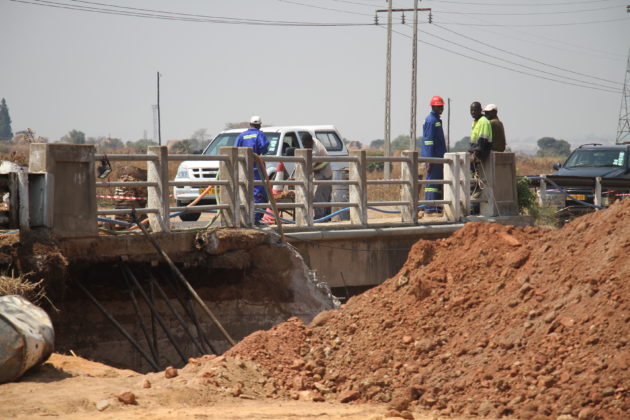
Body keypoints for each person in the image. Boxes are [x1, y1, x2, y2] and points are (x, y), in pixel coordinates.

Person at [236, 115, 270, 225]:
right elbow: (264, 148)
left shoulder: (241, 136)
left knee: (244, 191)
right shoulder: (259, 134)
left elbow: (235, 149)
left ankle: (243, 218)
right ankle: (255, 219)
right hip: (256, 168)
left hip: (243, 169)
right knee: (260, 193)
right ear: (259, 125)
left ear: (250, 124)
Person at [421, 95, 447, 216]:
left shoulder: (436, 120)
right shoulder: (431, 120)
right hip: (434, 158)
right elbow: (428, 141)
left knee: (438, 183)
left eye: (441, 106)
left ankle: (436, 208)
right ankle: (430, 209)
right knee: (432, 184)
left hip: (439, 157)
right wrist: (429, 160)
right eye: (438, 106)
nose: (440, 108)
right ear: (433, 107)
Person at [300, 132, 332, 220]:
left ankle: (319, 218)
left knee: (319, 197)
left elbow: (308, 168)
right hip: (321, 173)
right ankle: (326, 218)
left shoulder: (315, 151)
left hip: (324, 174)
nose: (305, 147)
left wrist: (299, 177)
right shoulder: (314, 141)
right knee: (326, 196)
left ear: (310, 142)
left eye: (306, 145)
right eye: (303, 145)